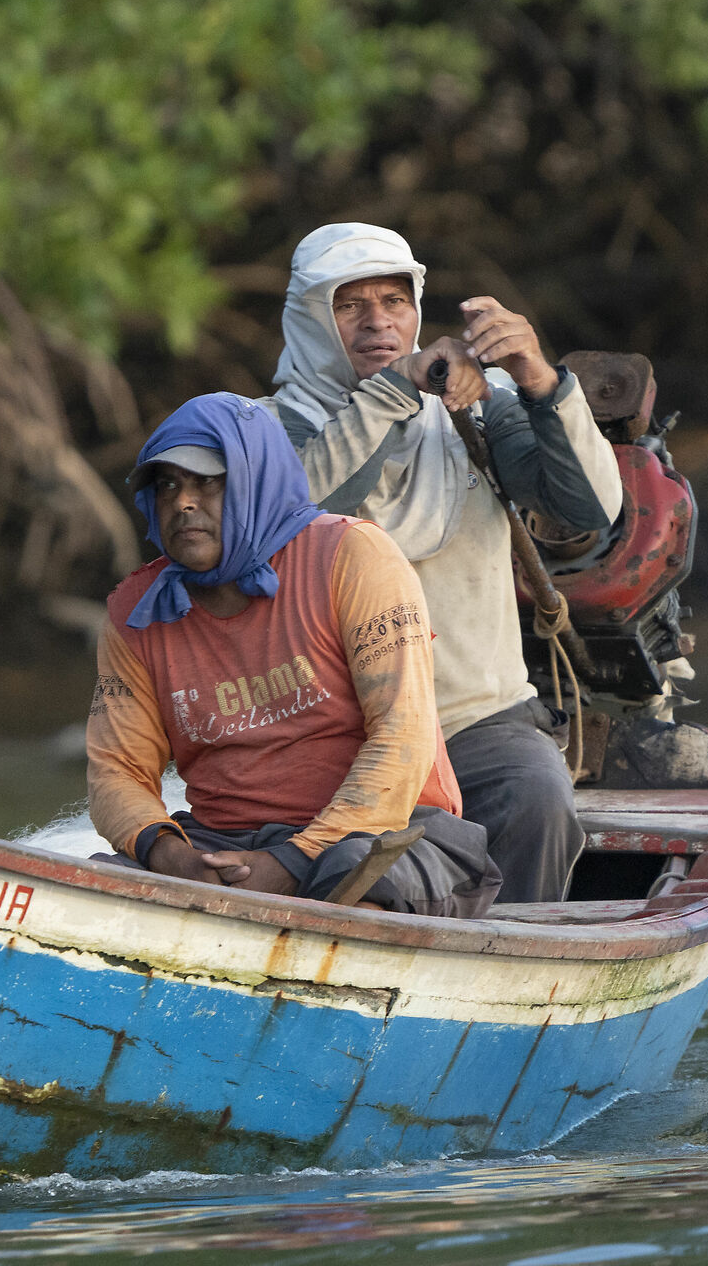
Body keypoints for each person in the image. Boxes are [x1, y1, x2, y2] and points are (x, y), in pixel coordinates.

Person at [261, 223, 623, 904]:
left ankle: (512, 991)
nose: (378, 323)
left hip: (474, 722)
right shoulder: (264, 429)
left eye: (394, 302)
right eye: (349, 306)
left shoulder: (476, 411)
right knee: (345, 868)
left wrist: (537, 379)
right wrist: (397, 392)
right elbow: (305, 511)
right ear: (311, 319)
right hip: (330, 735)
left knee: (539, 799)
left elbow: (589, 510)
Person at [84, 393, 500, 917]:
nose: (183, 502)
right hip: (221, 842)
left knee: (359, 896)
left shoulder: (352, 557)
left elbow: (403, 736)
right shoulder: (135, 610)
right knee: (99, 896)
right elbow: (117, 770)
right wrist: (175, 859)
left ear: (258, 478)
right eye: (167, 485)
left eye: (208, 480)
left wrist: (292, 861)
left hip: (387, 833)